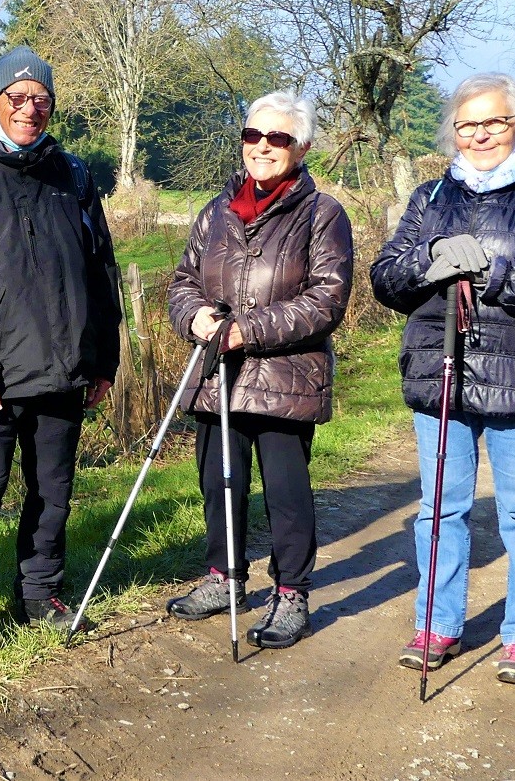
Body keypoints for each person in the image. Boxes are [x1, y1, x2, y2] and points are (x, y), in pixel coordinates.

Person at [371, 73, 515, 686]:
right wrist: (430, 263)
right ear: (453, 131)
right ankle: (435, 624)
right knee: (440, 510)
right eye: (468, 125)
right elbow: (386, 279)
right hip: (439, 374)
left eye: (493, 122)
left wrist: (498, 274)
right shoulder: (428, 198)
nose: (479, 135)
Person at [0, 45, 121, 653]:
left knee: (53, 495)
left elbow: (101, 274)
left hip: (64, 374)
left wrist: (103, 361)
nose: (29, 109)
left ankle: (40, 592)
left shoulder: (76, 178)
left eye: (40, 99)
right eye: (17, 97)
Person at [164, 91, 354, 650]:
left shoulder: (323, 215)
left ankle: (291, 591)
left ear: (302, 147)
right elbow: (182, 280)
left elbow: (327, 299)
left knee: (286, 491)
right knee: (219, 483)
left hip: (285, 376)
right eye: (253, 136)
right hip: (216, 369)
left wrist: (252, 328)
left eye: (278, 138)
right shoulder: (216, 210)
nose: (263, 147)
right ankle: (224, 579)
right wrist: (194, 314)